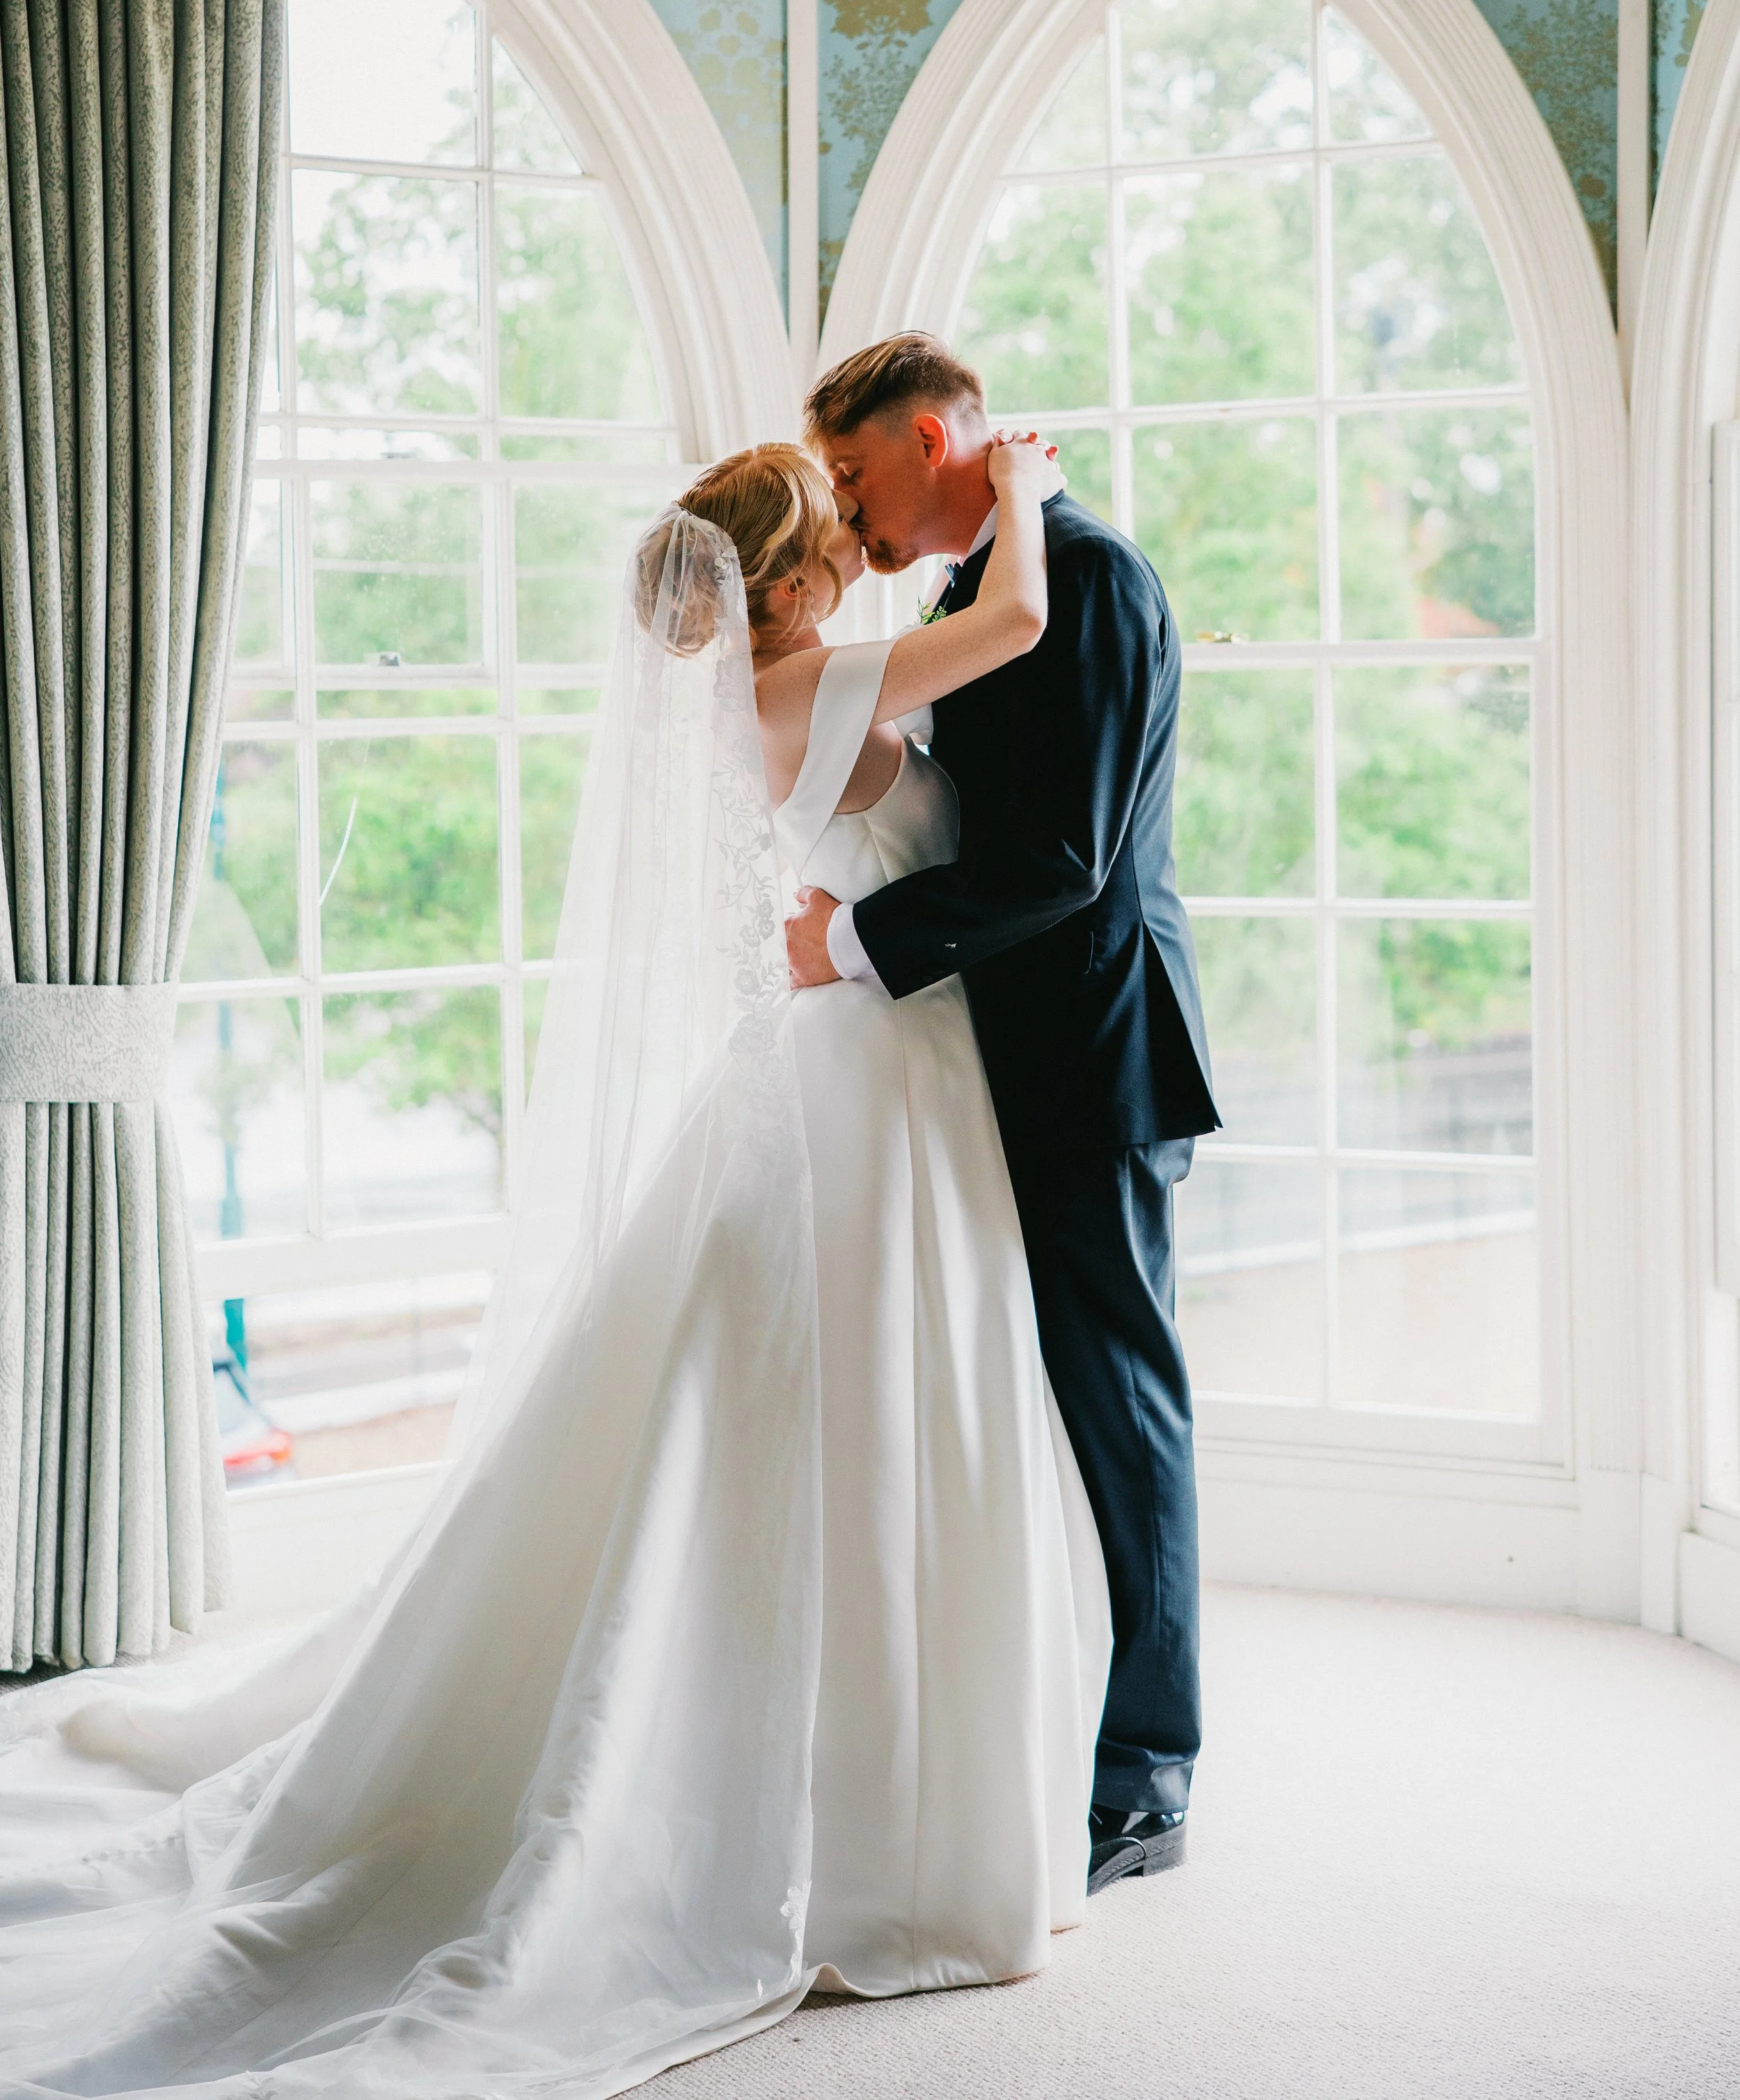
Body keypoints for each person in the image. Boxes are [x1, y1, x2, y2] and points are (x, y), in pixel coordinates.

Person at [0, 430, 1107, 2098]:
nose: (860, 555)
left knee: (815, 1417)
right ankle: (889, 1843)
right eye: (836, 538)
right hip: (873, 1084)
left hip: (848, 1061)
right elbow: (1016, 622)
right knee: (874, 1417)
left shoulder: (756, 699)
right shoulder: (825, 676)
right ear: (792, 581)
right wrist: (1017, 482)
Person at [787, 330, 1220, 1893]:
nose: (848, 510)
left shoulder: (1083, 579)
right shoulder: (983, 595)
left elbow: (1062, 861)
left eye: (851, 471)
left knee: (1119, 1404)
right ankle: (1044, 1729)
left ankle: (1145, 1777)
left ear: (929, 436)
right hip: (994, 1059)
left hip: (1088, 1059)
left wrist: (846, 946)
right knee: (1031, 1403)